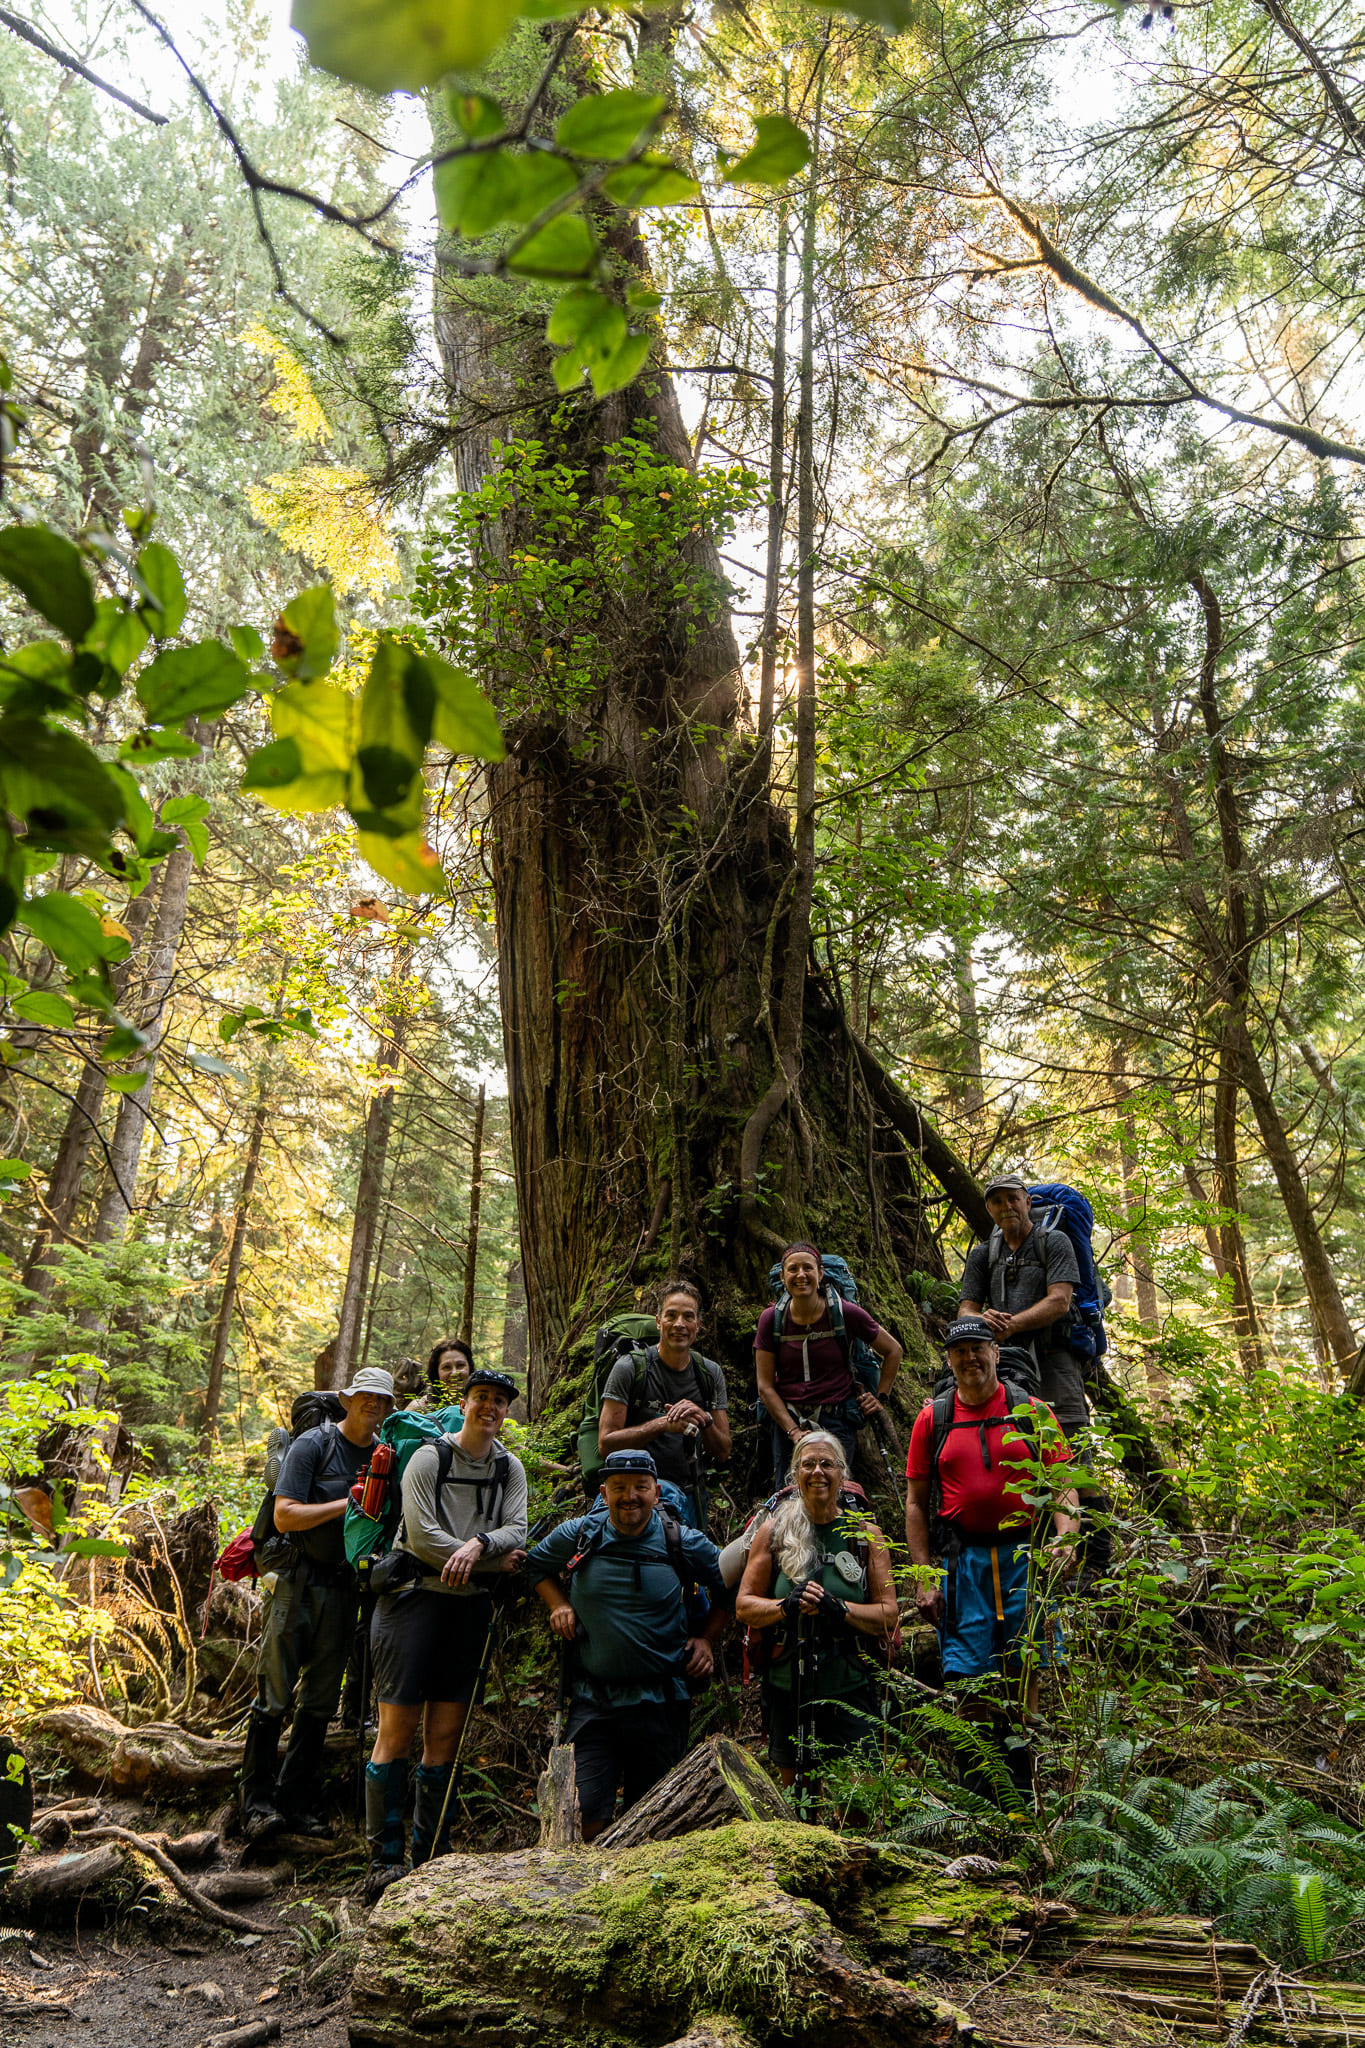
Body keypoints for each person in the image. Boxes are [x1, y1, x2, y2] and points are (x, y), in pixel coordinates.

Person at [364, 1367, 527, 1897]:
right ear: (465, 1403)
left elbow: (517, 1531)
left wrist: (477, 1546)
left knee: (444, 1737)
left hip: (467, 1612)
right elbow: (422, 1536)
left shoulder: (510, 1469)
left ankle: (430, 1853)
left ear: (507, 1411)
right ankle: (384, 1859)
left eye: (499, 1401)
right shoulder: (429, 1457)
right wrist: (489, 1561)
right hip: (411, 1604)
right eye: (481, 1398)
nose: (490, 1408)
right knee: (396, 1732)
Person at [904, 1317, 1078, 1803]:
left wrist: (1065, 1537)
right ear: (949, 1360)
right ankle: (980, 1787)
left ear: (996, 1354)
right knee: (969, 1672)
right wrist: (923, 1577)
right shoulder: (932, 1419)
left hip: (1025, 1557)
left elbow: (1063, 1484)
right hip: (963, 1564)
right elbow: (916, 1503)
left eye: (979, 1349)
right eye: (960, 1352)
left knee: (1028, 1663)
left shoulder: (1031, 1412)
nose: (971, 1358)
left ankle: (1028, 1781)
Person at [528, 1448, 729, 1840]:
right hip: (593, 1701)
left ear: (656, 1493)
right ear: (604, 1493)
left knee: (653, 1824)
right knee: (581, 1818)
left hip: (661, 1702)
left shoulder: (682, 1542)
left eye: (640, 1487)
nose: (630, 1496)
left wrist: (706, 1640)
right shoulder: (580, 1534)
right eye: (619, 1487)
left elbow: (731, 1589)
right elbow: (536, 1565)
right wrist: (558, 1605)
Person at [239, 1366, 394, 1842]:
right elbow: (284, 1516)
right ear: (347, 1399)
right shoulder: (315, 1445)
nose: (373, 1404)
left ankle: (296, 1804)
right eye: (365, 1396)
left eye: (382, 1400)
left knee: (320, 1703)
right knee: (274, 1696)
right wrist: (346, 1505)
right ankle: (256, 1805)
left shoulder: (386, 1457)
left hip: (346, 1588)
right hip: (297, 1581)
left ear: (389, 1408)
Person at [736, 1431, 898, 1789]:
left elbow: (888, 1614)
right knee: (796, 1795)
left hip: (850, 1682)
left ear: (843, 1474)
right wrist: (785, 1607)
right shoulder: (774, 1531)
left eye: (827, 1463)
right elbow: (745, 1606)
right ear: (795, 1475)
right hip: (786, 1684)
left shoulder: (865, 1535)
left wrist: (840, 1609)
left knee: (861, 1795)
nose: (817, 1472)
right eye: (807, 1464)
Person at [754, 1244, 903, 1484]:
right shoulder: (771, 1319)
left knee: (837, 1493)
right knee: (788, 1498)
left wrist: (881, 1397)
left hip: (837, 1420)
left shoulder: (845, 1313)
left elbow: (893, 1350)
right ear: (782, 1277)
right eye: (793, 1269)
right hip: (788, 1421)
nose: (801, 1275)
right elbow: (765, 1386)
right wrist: (793, 1432)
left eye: (808, 1268)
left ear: (820, 1273)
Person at [958, 1175, 1087, 1440]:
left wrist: (1012, 1325)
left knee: (1069, 1440)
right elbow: (965, 1310)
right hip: (1006, 1364)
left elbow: (1060, 1300)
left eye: (1013, 1199)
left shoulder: (1054, 1242)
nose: (1006, 1206)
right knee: (1014, 1440)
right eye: (997, 1201)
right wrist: (983, 1319)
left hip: (1055, 1359)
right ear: (989, 1209)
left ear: (1027, 1202)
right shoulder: (983, 1255)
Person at [596, 1279, 730, 1530]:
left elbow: (723, 1450)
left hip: (689, 1495)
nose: (680, 1324)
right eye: (671, 1315)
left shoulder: (709, 1373)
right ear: (658, 1321)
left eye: (688, 1317)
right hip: (634, 1495)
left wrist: (704, 1418)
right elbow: (606, 1444)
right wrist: (662, 1425)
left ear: (698, 1325)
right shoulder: (630, 1368)